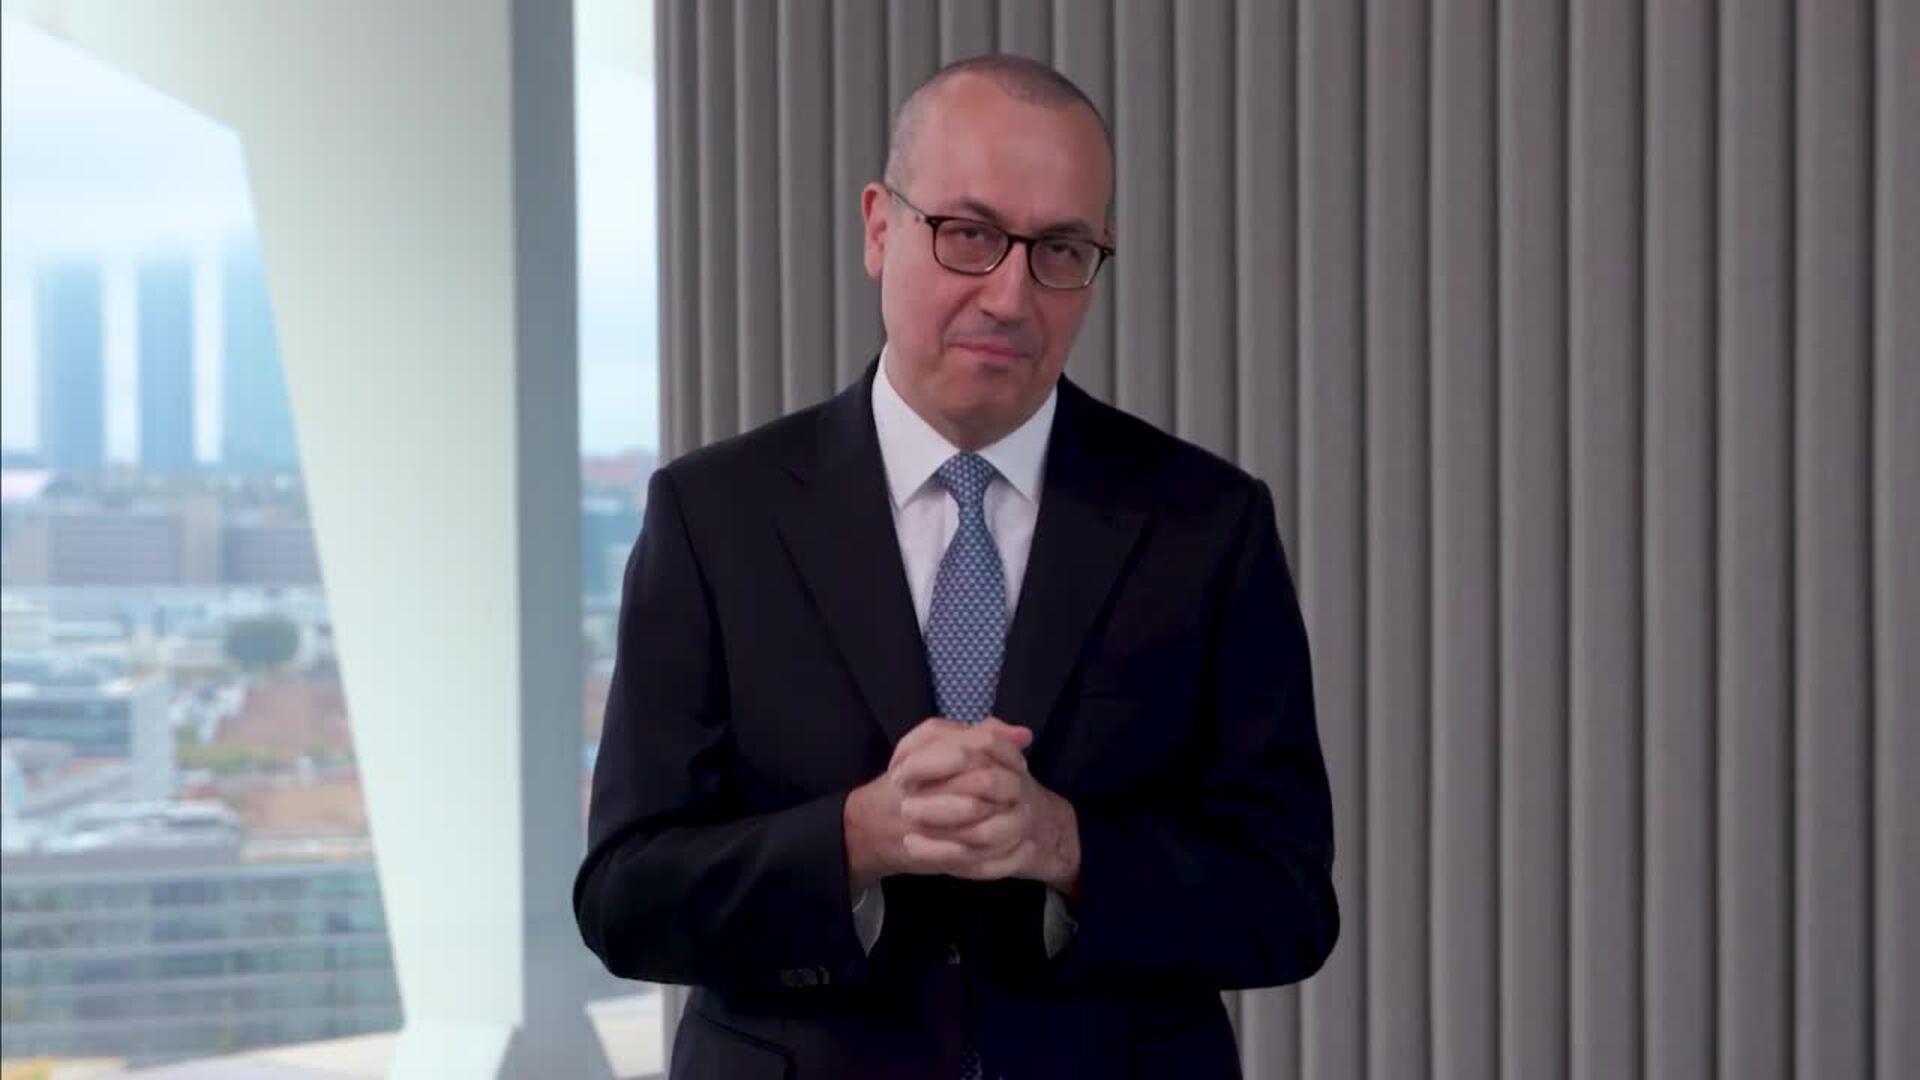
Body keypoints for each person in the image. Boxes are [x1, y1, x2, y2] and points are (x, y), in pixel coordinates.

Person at [575, 53, 1337, 1080]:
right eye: (969, 234)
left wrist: (1068, 849)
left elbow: (1289, 904)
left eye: (1061, 248)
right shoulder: (714, 516)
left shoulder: (1207, 523)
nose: (1011, 295)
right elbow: (625, 898)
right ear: (879, 228)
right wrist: (856, 838)